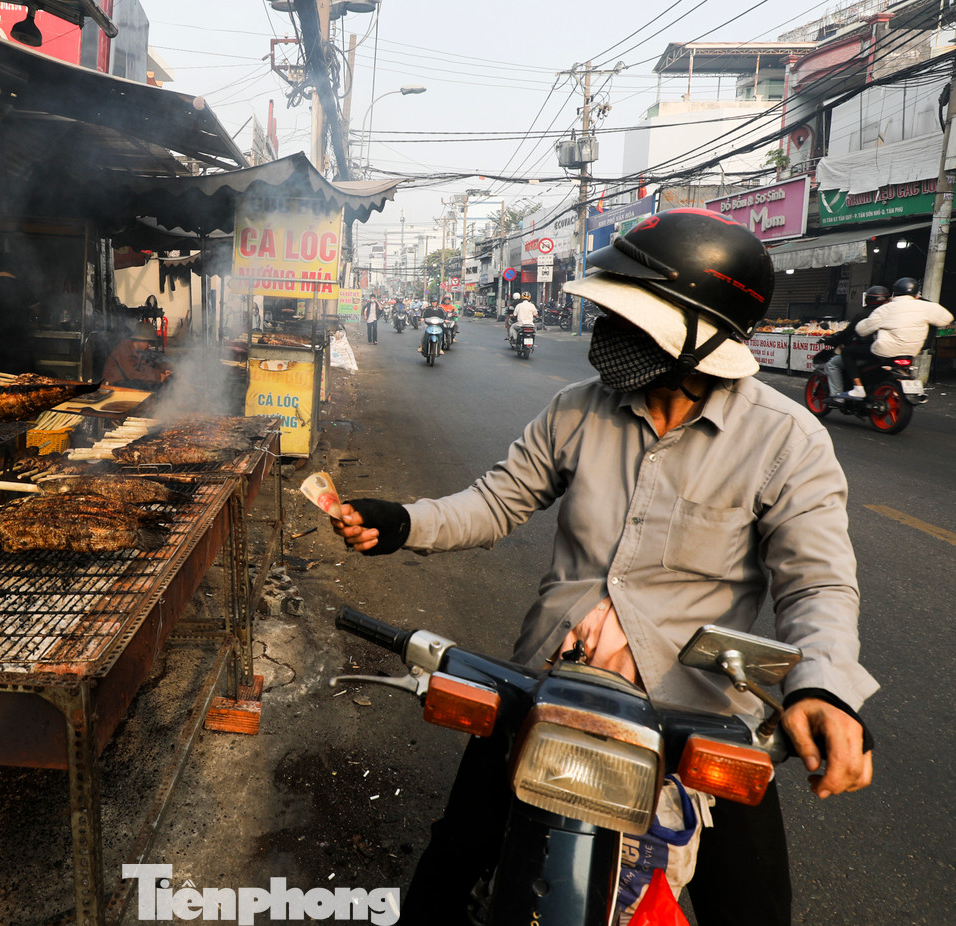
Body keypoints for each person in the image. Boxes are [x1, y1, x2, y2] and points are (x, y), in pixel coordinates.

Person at [331, 209, 875, 925]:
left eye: (632, 319)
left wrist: (824, 690)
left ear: (707, 333)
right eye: (611, 314)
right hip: (549, 683)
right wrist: (404, 522)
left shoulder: (786, 440)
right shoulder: (576, 410)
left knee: (755, 908)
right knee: (450, 861)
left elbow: (818, 582)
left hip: (695, 713)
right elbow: (495, 501)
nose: (606, 331)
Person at [840, 276, 953, 397]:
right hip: (912, 351)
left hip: (886, 351)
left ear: (894, 293)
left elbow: (861, 330)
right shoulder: (927, 307)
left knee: (847, 352)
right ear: (916, 293)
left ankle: (858, 388)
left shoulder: (885, 309)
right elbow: (947, 319)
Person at [822, 285, 889, 395]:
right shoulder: (893, 314)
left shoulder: (865, 315)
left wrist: (831, 341)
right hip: (891, 351)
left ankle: (839, 395)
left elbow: (848, 333)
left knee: (836, 361)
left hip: (872, 351)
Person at [0, 257, 41, 375]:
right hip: (18, 340)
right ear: (15, 268)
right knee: (18, 376)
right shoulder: (23, 287)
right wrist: (34, 320)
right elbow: (37, 311)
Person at [104, 321, 172, 389]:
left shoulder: (139, 351)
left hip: (126, 381)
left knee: (153, 383)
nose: (150, 345)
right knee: (146, 384)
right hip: (114, 384)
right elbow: (132, 374)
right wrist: (158, 378)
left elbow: (144, 368)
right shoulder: (124, 349)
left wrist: (161, 372)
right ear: (140, 339)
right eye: (148, 342)